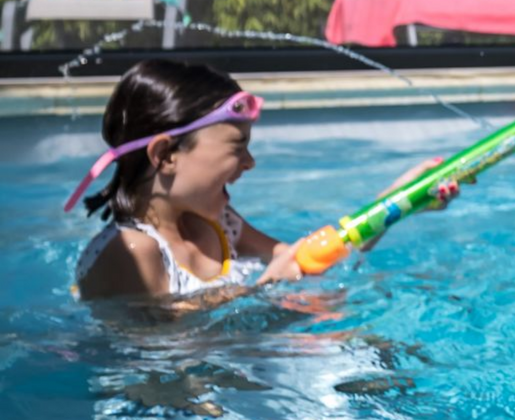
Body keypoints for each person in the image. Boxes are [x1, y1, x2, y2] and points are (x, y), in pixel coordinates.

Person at [68, 58, 455, 302]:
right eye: (238, 147)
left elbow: (310, 260)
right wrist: (264, 290)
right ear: (166, 155)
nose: (250, 163)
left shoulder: (219, 223)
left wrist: (399, 201)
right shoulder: (133, 252)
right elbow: (162, 354)